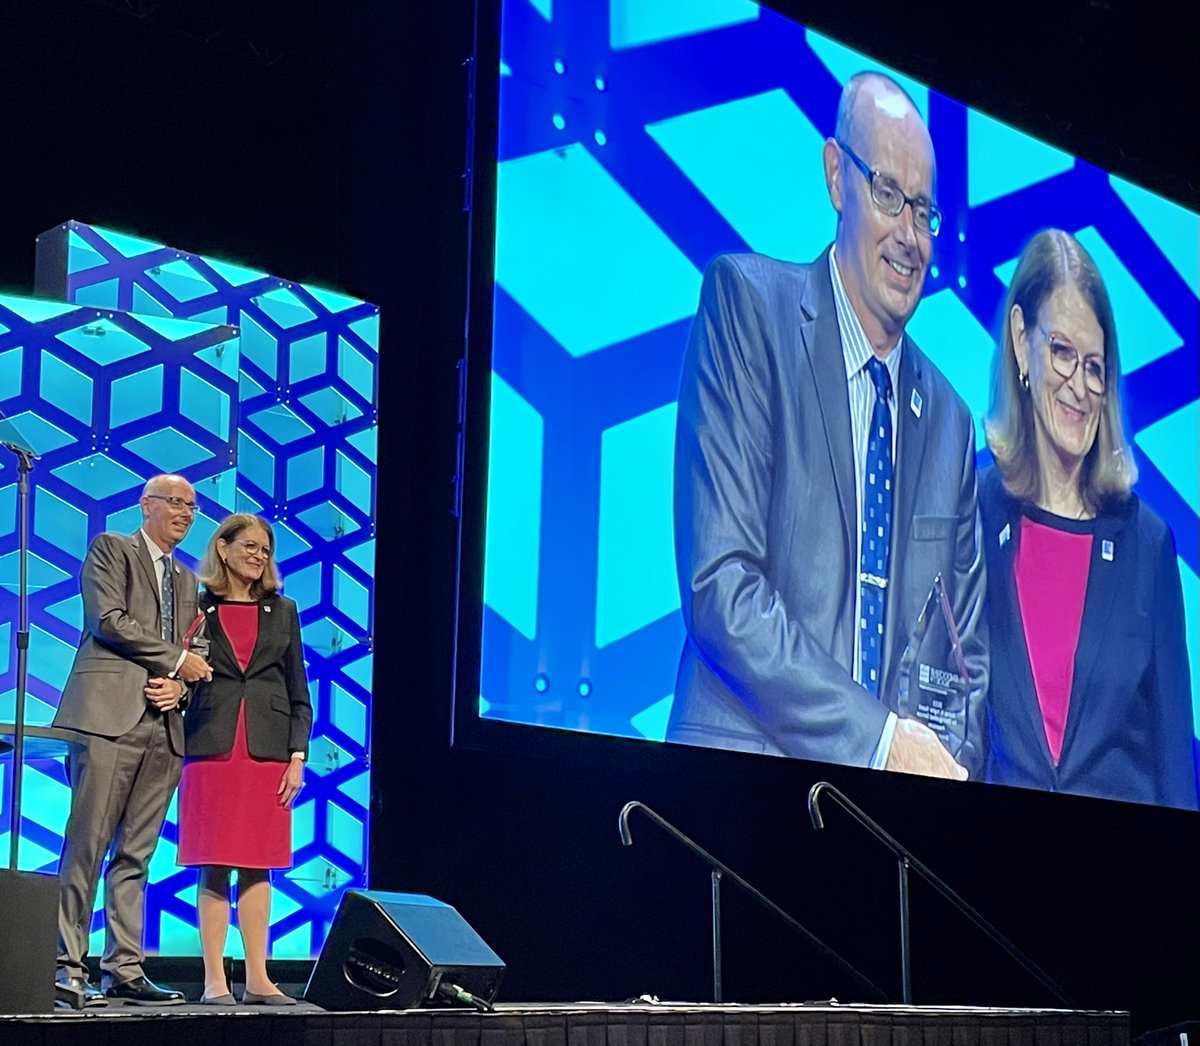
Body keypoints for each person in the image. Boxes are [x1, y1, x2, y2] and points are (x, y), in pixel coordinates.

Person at [666, 71, 988, 777]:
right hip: (736, 800)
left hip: (886, 833)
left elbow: (966, 659)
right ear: (837, 177)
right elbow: (722, 586)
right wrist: (880, 744)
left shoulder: (952, 423)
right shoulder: (747, 308)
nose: (909, 236)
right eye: (889, 196)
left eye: (925, 212)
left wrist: (944, 774)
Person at [980, 229, 1198, 809]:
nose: (1079, 385)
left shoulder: (1147, 545)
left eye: (1095, 366)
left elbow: (1176, 765)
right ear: (1023, 343)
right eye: (1062, 353)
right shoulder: (973, 515)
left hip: (1122, 880)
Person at [52, 474, 212, 1009]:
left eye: (192, 506)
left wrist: (181, 684)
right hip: (107, 718)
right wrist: (174, 661)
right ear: (146, 506)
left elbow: (196, 649)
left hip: (164, 727)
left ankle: (124, 968)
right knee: (88, 846)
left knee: (137, 855)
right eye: (175, 503)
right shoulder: (112, 549)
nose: (186, 514)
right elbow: (108, 620)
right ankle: (65, 965)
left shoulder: (189, 582)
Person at [176, 513, 312, 1005]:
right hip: (210, 748)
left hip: (267, 754)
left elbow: (299, 691)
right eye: (249, 546)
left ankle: (258, 977)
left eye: (265, 549)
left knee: (260, 865)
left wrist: (297, 756)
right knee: (212, 865)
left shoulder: (284, 610)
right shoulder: (197, 606)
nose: (258, 556)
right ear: (224, 549)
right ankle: (215, 979)